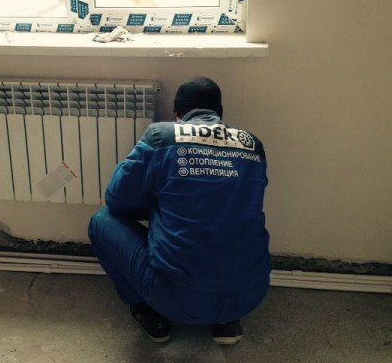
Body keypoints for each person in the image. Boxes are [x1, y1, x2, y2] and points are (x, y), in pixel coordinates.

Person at [88, 77, 271, 345]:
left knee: (101, 221)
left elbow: (116, 199)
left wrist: (156, 206)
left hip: (175, 301)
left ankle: (148, 312)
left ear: (178, 115)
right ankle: (226, 321)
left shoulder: (160, 136)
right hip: (250, 294)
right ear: (219, 114)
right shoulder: (253, 145)